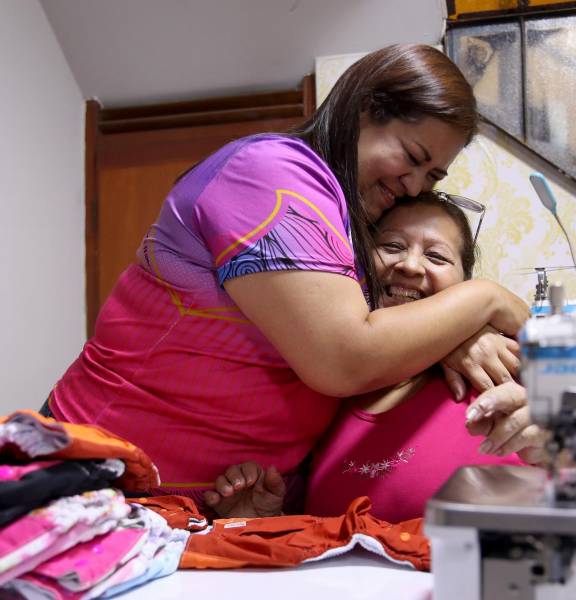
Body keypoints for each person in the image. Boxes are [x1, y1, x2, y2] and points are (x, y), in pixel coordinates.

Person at [47, 44, 530, 508]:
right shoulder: (272, 174)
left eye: (431, 178)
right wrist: (484, 298)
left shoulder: (344, 217)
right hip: (100, 476)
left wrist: (459, 337)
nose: (413, 187)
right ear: (365, 109)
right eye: (411, 157)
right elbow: (344, 358)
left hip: (210, 507)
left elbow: (381, 323)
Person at [204, 193, 549, 521]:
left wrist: (556, 445)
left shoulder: (502, 367)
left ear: (465, 284)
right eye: (392, 246)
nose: (410, 266)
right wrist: (264, 521)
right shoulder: (322, 389)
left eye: (437, 257)